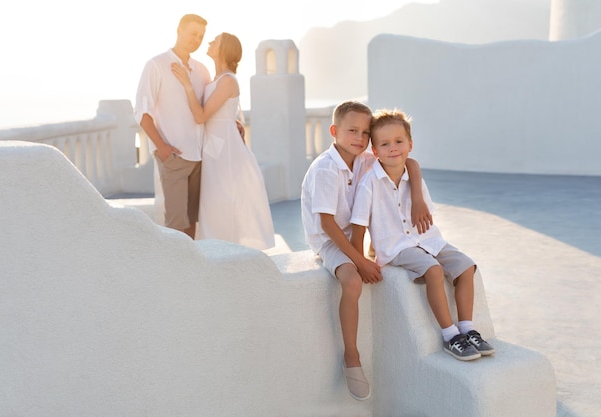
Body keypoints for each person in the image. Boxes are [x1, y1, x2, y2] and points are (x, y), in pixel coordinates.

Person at [301, 100, 432, 401]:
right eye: (352, 131)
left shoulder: (364, 159)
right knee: (352, 279)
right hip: (329, 239)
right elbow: (329, 225)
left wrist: (419, 197)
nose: (359, 138)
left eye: (364, 133)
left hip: (356, 233)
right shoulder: (326, 169)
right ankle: (351, 356)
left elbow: (408, 162)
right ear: (334, 131)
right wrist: (359, 261)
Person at [350, 109, 495, 362]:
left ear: (410, 144)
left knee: (466, 266)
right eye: (384, 144)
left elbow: (425, 214)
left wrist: (416, 196)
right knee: (434, 270)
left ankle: (467, 329)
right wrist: (361, 261)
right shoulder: (369, 183)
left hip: (427, 239)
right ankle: (451, 336)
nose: (393, 148)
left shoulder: (414, 176)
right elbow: (359, 225)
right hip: (396, 247)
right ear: (375, 151)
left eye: (398, 142)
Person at [171, 32, 275, 250]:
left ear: (225, 49)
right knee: (212, 201)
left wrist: (187, 85)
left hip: (224, 149)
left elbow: (201, 116)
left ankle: (224, 250)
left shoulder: (227, 81)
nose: (209, 42)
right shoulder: (215, 79)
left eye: (215, 41)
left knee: (222, 199)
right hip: (213, 146)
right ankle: (216, 249)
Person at [135, 14, 211, 238]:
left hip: (200, 158)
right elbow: (142, 112)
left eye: (201, 36)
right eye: (192, 33)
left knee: (191, 222)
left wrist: (234, 121)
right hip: (174, 158)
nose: (196, 39)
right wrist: (162, 147)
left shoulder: (202, 70)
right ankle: (177, 272)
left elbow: (206, 109)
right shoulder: (156, 65)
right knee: (176, 225)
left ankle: (191, 271)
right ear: (179, 31)